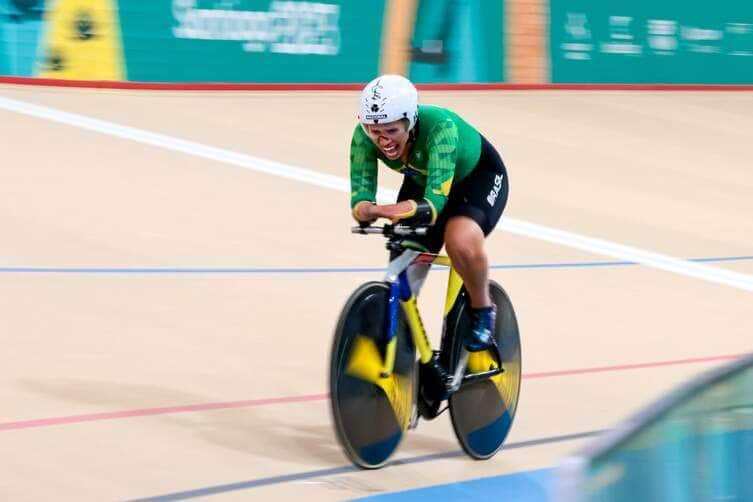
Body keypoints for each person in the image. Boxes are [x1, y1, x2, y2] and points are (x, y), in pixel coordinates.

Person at [349, 74, 509, 361]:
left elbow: (434, 204)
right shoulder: (363, 136)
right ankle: (405, 350)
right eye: (374, 131)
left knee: (458, 241)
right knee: (402, 269)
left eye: (391, 130)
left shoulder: (440, 128)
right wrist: (364, 208)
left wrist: (383, 211)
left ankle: (483, 310)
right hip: (424, 180)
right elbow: (360, 196)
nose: (382, 140)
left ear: (410, 121)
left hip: (477, 179)